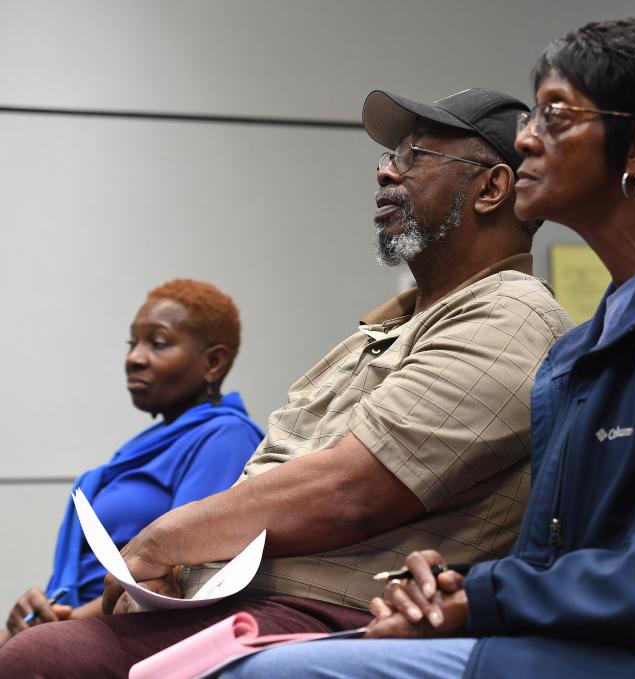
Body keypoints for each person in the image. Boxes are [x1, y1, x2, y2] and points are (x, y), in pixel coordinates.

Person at [217, 17, 635, 679]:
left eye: (554, 115)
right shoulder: (604, 332)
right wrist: (456, 585)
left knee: (263, 675)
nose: (524, 140)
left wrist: (489, 597)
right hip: (581, 647)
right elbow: (567, 555)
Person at [0, 88, 572, 677]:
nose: (384, 170)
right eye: (389, 155)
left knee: (40, 663)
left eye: (414, 155)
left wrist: (165, 539)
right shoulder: (390, 326)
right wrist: (96, 608)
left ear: (491, 189)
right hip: (246, 601)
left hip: (336, 614)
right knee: (39, 647)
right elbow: (269, 486)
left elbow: (352, 491)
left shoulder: (512, 316)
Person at [0, 279, 264, 648]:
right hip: (75, 626)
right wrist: (33, 616)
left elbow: (186, 571)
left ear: (213, 362)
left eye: (157, 343)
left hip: (136, 634)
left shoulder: (225, 438)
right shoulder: (143, 445)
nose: (135, 357)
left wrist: (63, 625)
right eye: (132, 343)